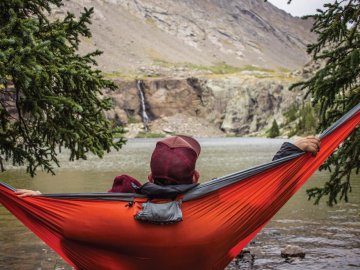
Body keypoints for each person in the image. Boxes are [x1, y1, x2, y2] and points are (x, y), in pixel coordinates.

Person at [15, 135, 320, 197]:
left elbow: (73, 217)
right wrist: (288, 150)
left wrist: (39, 200)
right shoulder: (212, 202)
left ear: (149, 175)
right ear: (195, 174)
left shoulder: (121, 205)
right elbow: (264, 188)